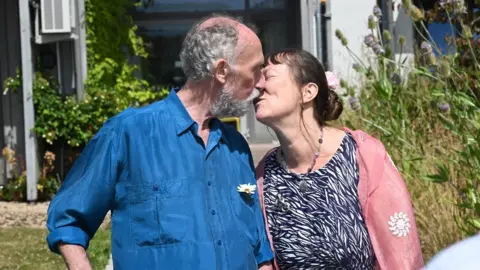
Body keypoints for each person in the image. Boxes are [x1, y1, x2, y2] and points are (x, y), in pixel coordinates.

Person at [46, 14, 274, 270]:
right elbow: (68, 221)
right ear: (221, 71)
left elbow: (258, 244)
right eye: (255, 70)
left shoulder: (236, 146)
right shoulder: (128, 133)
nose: (261, 82)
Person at [253, 48, 424, 269]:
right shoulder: (265, 174)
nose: (258, 85)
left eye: (269, 76)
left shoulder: (362, 156)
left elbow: (402, 255)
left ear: (308, 92)